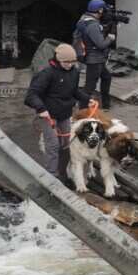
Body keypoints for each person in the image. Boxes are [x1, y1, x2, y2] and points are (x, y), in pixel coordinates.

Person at [25, 43, 90, 177]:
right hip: (48, 115)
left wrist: (86, 99)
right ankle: (51, 175)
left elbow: (74, 90)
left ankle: (63, 172)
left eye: (72, 61)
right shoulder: (47, 73)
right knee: (53, 145)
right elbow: (31, 95)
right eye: (66, 62)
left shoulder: (74, 72)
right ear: (58, 59)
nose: (69, 64)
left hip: (65, 113)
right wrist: (41, 108)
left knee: (66, 144)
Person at [74, 0, 114, 110]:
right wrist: (110, 38)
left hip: (95, 58)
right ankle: (82, 108)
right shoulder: (93, 25)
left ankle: (106, 104)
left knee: (106, 77)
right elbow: (101, 44)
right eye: (104, 9)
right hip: (94, 59)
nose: (105, 12)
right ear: (100, 10)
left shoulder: (84, 19)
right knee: (90, 86)